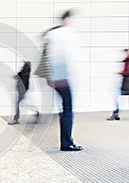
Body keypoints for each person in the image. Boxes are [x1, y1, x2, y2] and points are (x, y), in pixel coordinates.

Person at [44, 10, 82, 151]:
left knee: (65, 109)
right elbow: (65, 56)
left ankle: (66, 141)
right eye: (72, 19)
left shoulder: (53, 34)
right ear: (66, 20)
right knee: (67, 110)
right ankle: (67, 143)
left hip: (55, 78)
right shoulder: (65, 33)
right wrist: (67, 76)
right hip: (62, 78)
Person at [8, 56, 39, 125]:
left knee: (18, 103)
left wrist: (17, 75)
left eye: (24, 58)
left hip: (23, 88)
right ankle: (36, 113)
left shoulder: (27, 65)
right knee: (23, 103)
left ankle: (16, 119)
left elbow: (23, 75)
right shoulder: (24, 66)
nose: (22, 59)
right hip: (22, 88)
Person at [107, 48, 129, 120]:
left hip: (127, 83)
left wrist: (122, 72)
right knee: (119, 98)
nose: (126, 53)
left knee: (119, 98)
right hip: (125, 82)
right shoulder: (126, 60)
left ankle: (116, 113)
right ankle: (116, 113)